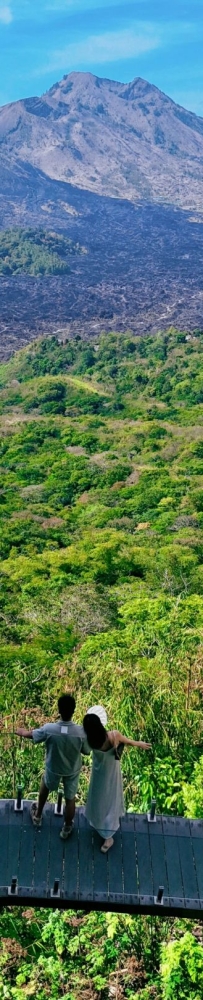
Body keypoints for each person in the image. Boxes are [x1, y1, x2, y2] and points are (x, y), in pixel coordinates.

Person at [15, 693, 90, 839]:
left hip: (53, 767)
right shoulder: (81, 732)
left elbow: (32, 735)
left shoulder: (50, 729)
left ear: (59, 710)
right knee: (70, 798)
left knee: (45, 786)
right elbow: (86, 751)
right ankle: (67, 827)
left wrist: (20, 732)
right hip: (72, 770)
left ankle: (37, 816)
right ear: (73, 710)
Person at [83, 709, 151, 853]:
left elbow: (84, 750)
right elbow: (128, 742)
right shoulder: (113, 736)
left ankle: (99, 823)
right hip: (111, 773)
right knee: (111, 799)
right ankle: (108, 836)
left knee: (98, 798)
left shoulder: (89, 739)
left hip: (98, 773)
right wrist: (140, 744)